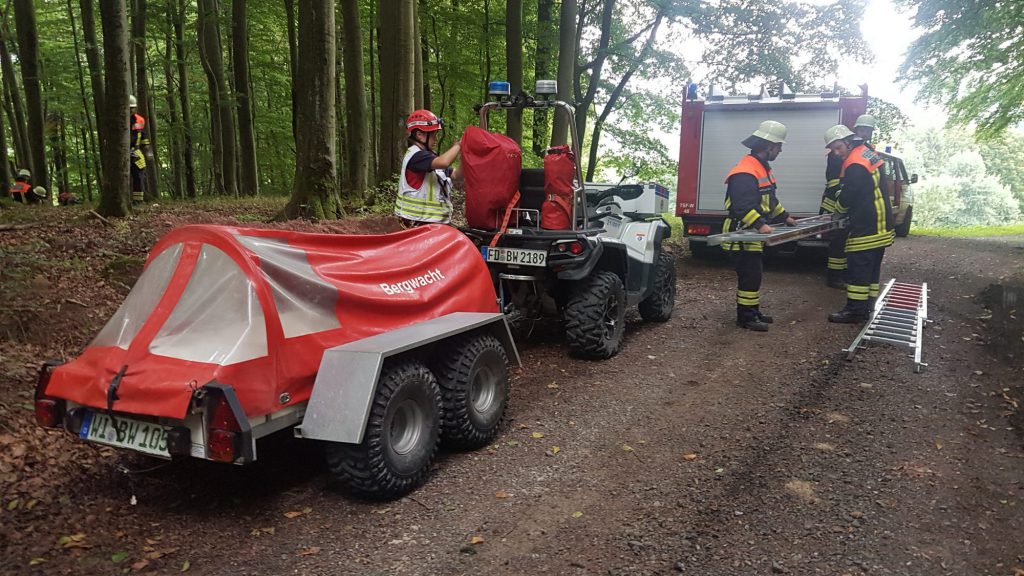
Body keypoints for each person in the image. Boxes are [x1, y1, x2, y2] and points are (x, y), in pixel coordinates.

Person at [721, 120, 797, 332]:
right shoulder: (746, 171)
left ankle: (752, 311)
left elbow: (770, 201)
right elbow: (741, 206)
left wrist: (785, 217)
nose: (780, 150)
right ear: (768, 146)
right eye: (779, 146)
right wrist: (761, 225)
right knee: (750, 275)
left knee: (755, 275)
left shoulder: (761, 168)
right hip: (741, 234)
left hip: (750, 235)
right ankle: (745, 317)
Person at [823, 124, 894, 323]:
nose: (836, 154)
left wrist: (837, 212)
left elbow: (849, 195)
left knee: (858, 269)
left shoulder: (854, 163)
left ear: (848, 142)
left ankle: (855, 311)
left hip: (867, 224)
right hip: (881, 223)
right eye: (833, 150)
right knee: (871, 269)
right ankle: (868, 304)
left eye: (838, 148)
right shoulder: (868, 154)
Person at [394, 109, 463, 227]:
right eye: (433, 135)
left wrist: (467, 156)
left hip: (432, 224)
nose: (435, 139)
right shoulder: (417, 156)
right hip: (417, 224)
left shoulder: (430, 158)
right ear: (420, 135)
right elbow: (444, 162)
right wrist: (458, 145)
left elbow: (457, 175)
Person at [820, 149, 847, 288]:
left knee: (841, 244)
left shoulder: (840, 155)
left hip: (837, 207)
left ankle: (838, 275)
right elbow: (835, 185)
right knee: (838, 243)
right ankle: (834, 277)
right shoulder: (835, 156)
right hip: (835, 208)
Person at [129, 95, 154, 204]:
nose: (131, 110)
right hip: (122, 153)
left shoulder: (139, 120)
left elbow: (143, 136)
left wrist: (148, 152)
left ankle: (138, 200)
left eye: (132, 108)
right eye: (129, 108)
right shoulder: (117, 121)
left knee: (139, 176)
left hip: (136, 151)